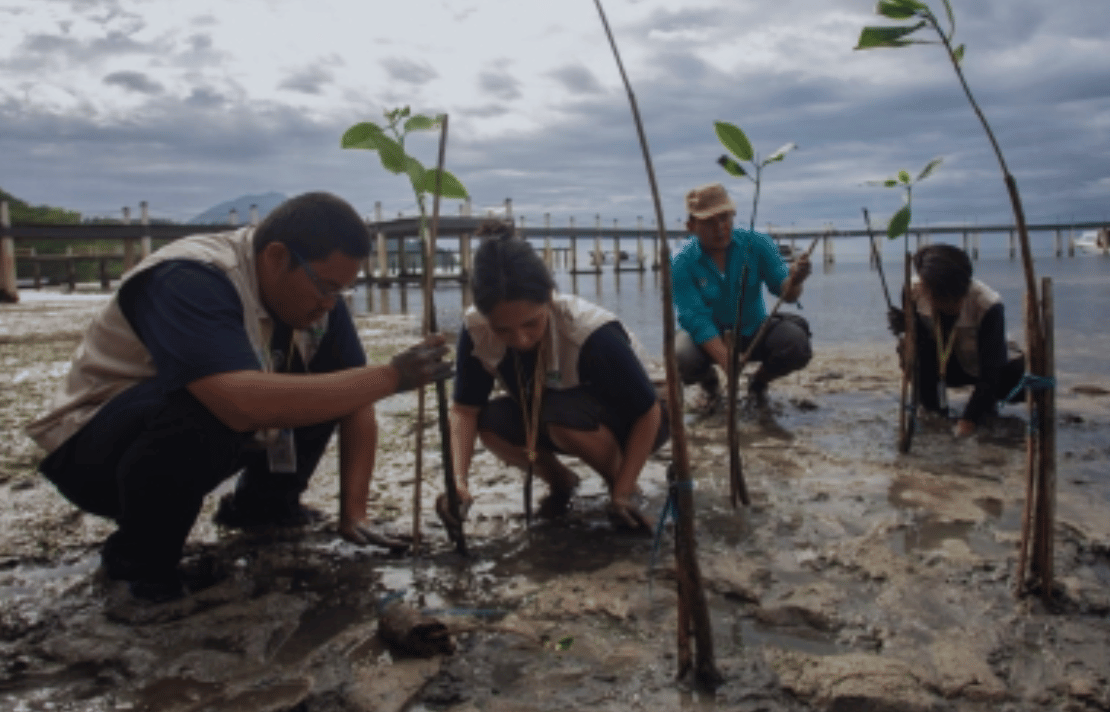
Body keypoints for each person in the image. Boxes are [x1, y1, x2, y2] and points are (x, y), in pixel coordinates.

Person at [24, 192, 453, 603]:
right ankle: (139, 563)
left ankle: (265, 508)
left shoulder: (320, 303)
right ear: (276, 257)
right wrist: (393, 375)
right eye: (324, 287)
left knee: (331, 388)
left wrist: (354, 513)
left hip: (183, 434)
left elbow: (356, 395)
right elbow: (236, 402)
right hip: (95, 452)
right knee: (209, 405)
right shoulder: (192, 277)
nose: (329, 303)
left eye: (340, 291)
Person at [435, 221, 669, 536]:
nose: (519, 339)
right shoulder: (477, 329)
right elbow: (465, 410)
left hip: (642, 416)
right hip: (552, 410)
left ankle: (622, 486)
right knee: (490, 422)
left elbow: (648, 411)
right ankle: (562, 481)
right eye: (503, 329)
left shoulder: (589, 331)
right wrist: (457, 483)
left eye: (531, 323)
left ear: (549, 297)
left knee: (561, 417)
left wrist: (623, 489)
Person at [671, 182, 812, 412]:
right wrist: (725, 358)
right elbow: (694, 316)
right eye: (709, 221)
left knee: (795, 344)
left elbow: (785, 293)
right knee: (681, 357)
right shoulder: (680, 261)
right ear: (691, 226)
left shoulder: (757, 243)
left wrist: (796, 281)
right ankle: (709, 382)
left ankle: (759, 382)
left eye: (725, 218)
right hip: (706, 338)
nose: (720, 227)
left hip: (753, 329)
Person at [889, 243, 1025, 439]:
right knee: (912, 350)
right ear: (928, 290)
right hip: (949, 364)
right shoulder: (914, 291)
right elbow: (920, 343)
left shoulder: (988, 304)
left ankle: (983, 406)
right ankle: (933, 409)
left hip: (989, 368)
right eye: (947, 298)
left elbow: (991, 370)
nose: (956, 303)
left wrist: (968, 421)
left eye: (959, 296)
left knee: (1014, 378)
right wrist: (905, 324)